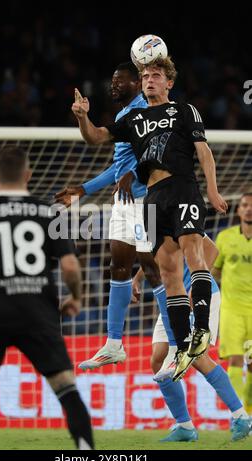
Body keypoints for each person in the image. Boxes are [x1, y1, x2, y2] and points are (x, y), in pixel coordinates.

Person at [71, 56, 228, 380]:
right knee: (168, 272)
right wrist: (83, 118)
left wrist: (212, 191)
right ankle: (184, 343)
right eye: (145, 75)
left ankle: (200, 331)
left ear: (169, 82)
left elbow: (203, 151)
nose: (150, 79)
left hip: (183, 188)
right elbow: (97, 137)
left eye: (156, 75)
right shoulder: (134, 117)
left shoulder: (184, 111)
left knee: (194, 255)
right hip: (153, 199)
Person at [0, 146, 94, 450]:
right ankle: (86, 451)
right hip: (38, 311)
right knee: (65, 387)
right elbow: (70, 266)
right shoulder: (48, 212)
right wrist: (76, 298)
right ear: (28, 175)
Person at [56, 62, 160, 370]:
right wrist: (83, 189)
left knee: (154, 270)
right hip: (124, 202)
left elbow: (158, 153)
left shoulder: (148, 111)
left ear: (138, 83)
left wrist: (133, 172)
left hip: (148, 200)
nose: (113, 87)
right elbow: (107, 152)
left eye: (120, 82)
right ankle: (114, 344)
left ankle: (180, 340)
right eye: (111, 82)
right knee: (118, 267)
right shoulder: (123, 115)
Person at [133, 234, 251, 441]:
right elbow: (156, 256)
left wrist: (197, 287)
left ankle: (241, 417)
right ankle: (184, 425)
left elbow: (212, 250)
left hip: (196, 295)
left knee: (194, 354)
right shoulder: (148, 222)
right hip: (171, 297)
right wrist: (137, 279)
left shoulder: (177, 212)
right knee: (158, 359)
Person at [212, 192, 252, 415]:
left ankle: (248, 408)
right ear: (238, 210)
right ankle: (242, 416)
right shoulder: (225, 238)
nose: (248, 209)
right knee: (236, 359)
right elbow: (215, 270)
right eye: (245, 205)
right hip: (232, 310)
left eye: (251, 206)